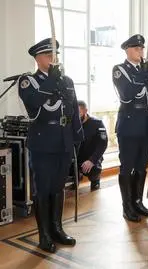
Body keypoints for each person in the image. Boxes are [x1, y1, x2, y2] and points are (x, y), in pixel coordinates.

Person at [18, 38, 83, 253]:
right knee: (43, 190)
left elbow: (73, 110)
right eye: (48, 55)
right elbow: (34, 108)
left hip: (64, 141)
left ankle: (57, 228)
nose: (53, 59)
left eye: (55, 55)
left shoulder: (67, 81)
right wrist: (50, 82)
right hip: (43, 143)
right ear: (37, 59)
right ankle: (44, 234)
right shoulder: (29, 82)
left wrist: (77, 137)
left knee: (58, 187)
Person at [112, 34, 148, 222]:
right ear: (127, 50)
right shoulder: (120, 70)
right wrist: (143, 75)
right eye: (137, 48)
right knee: (128, 166)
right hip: (130, 124)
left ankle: (138, 202)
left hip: (146, 123)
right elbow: (127, 94)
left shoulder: (147, 70)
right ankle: (127, 206)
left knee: (141, 165)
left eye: (142, 48)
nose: (140, 52)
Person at [76, 100, 108, 191]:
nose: (76, 116)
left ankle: (95, 180)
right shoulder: (72, 123)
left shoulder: (97, 123)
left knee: (94, 169)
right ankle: (77, 176)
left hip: (91, 156)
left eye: (79, 113)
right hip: (76, 156)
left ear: (85, 111)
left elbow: (103, 144)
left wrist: (92, 160)